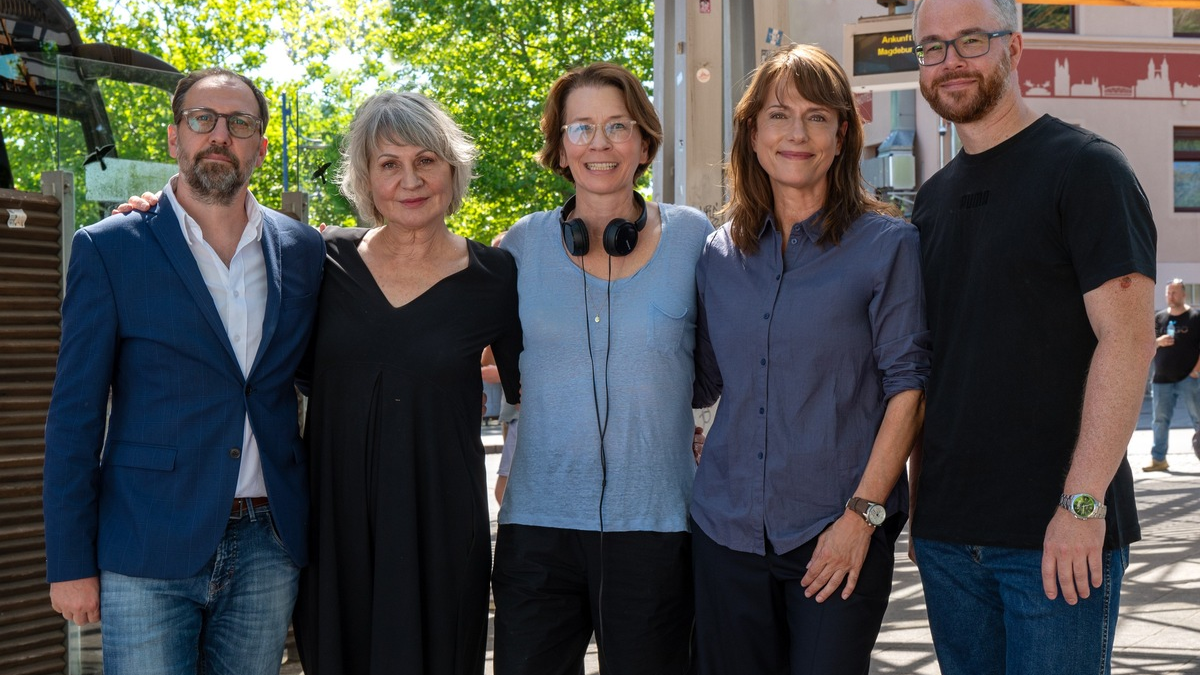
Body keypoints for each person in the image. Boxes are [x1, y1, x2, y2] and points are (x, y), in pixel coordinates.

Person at [42, 68, 325, 674]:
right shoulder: (111, 247)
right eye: (203, 120)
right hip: (146, 539)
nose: (220, 135)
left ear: (261, 145)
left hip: (268, 545)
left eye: (240, 123)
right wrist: (69, 561)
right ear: (175, 138)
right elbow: (74, 417)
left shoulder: (303, 251)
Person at [908, 0, 1157, 673]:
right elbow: (931, 363)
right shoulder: (929, 203)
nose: (949, 61)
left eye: (969, 40)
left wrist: (1082, 504)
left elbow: (1128, 341)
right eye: (931, 47)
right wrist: (916, 505)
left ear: (1015, 48)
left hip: (1056, 536)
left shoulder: (1086, 169)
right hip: (948, 537)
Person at [689, 44, 929, 675]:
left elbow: (909, 390)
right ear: (751, 130)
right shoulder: (717, 253)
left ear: (842, 133)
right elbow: (703, 380)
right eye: (779, 115)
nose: (797, 133)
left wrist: (862, 518)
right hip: (725, 529)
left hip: (836, 529)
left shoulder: (887, 246)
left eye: (818, 116)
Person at [490, 62, 711, 675]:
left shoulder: (695, 236)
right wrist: (507, 456)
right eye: (581, 128)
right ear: (560, 146)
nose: (600, 144)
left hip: (657, 525)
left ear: (643, 142)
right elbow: (501, 366)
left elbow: (732, 356)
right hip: (537, 525)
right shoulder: (520, 245)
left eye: (618, 126)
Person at [291, 90, 522, 675]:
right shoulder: (321, 260)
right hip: (335, 525)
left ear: (452, 170)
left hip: (440, 527)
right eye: (389, 164)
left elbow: (530, 393)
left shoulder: (496, 276)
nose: (410, 179)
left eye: (426, 160)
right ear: (366, 180)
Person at [1145, 278, 1200, 471]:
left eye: (1175, 292)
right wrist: (1159, 341)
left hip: (1189, 377)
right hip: (1161, 379)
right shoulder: (1159, 318)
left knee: (1198, 418)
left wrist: (1196, 370)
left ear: (1183, 294)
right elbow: (1147, 343)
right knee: (1159, 420)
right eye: (1168, 292)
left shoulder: (1194, 317)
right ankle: (1159, 459)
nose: (1171, 296)